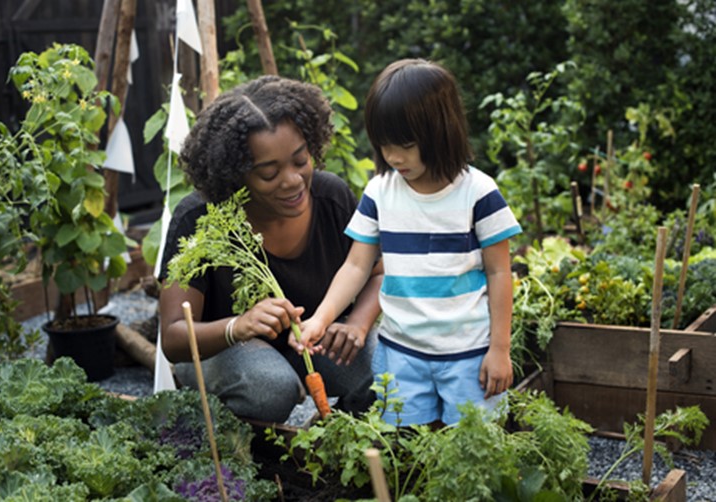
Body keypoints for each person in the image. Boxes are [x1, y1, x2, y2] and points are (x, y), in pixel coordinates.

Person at [299, 59, 522, 426]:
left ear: (441, 132)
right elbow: (356, 265)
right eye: (384, 145)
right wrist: (320, 319)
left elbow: (500, 272)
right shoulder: (379, 192)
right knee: (403, 441)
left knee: (473, 443)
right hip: (400, 353)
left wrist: (500, 349)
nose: (393, 157)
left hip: (468, 353)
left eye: (405, 145)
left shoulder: (479, 193)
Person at [158, 75, 383, 423]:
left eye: (300, 160)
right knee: (270, 388)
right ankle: (224, 434)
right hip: (224, 350)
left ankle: (337, 431)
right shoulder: (200, 218)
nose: (292, 180)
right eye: (268, 173)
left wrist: (356, 324)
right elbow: (173, 339)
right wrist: (238, 326)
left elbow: (377, 274)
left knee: (386, 362)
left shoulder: (331, 198)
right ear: (235, 174)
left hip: (313, 339)